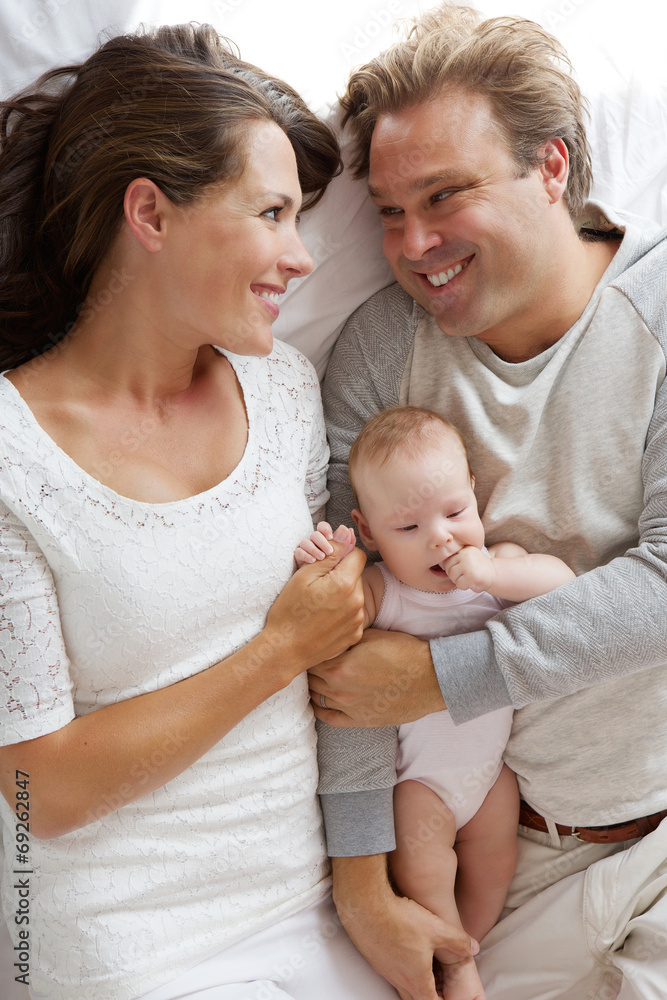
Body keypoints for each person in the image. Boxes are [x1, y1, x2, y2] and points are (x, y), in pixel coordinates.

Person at [0, 24, 479, 1000]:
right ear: (151, 213)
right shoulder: (13, 456)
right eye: (269, 212)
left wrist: (364, 889)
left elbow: (342, 651)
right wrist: (275, 650)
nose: (300, 257)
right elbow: (34, 788)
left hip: (312, 912)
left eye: (300, 217)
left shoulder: (285, 392)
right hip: (132, 952)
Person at [305, 4, 667, 1000]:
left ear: (551, 168)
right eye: (386, 210)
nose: (413, 242)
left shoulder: (659, 311)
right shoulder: (380, 352)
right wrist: (361, 886)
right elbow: (353, 646)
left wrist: (445, 676)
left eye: (444, 195)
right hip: (487, 867)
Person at [296, 405, 574, 1000]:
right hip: (420, 784)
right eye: (408, 528)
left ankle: (464, 947)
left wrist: (493, 575)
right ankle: (458, 965)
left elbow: (566, 588)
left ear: (474, 493)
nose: (441, 537)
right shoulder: (388, 589)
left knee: (495, 863)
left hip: (491, 777)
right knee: (428, 871)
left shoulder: (499, 569)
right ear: (369, 532)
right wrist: (329, 562)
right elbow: (337, 610)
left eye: (454, 512)